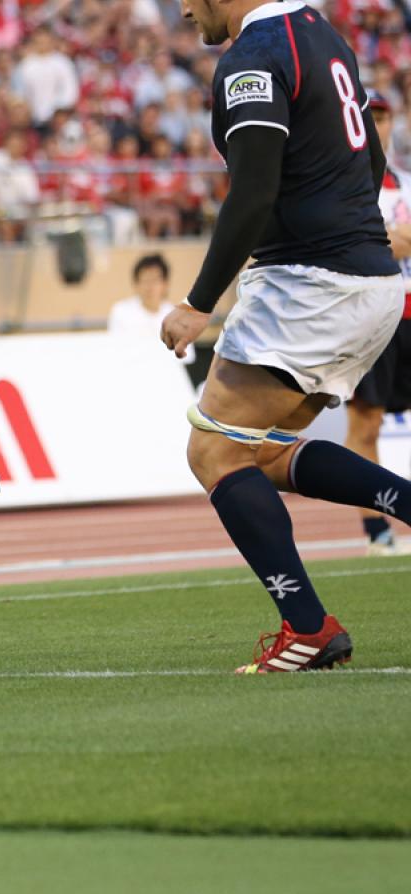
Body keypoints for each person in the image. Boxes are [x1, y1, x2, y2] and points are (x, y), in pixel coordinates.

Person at [162, 1, 409, 674]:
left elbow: (253, 192)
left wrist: (198, 304)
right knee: (260, 451)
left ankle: (307, 627)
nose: (184, 9)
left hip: (311, 286)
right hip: (372, 282)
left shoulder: (252, 57)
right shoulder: (322, 34)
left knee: (214, 451)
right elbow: (373, 160)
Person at [345, 90, 411, 556]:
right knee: (366, 424)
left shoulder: (406, 183)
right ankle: (377, 531)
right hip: (371, 316)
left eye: (384, 117)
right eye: (371, 116)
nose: (378, 125)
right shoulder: (345, 186)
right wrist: (387, 240)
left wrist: (383, 239)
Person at [109, 254, 194, 366]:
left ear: (165, 284)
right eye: (145, 280)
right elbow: (117, 351)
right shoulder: (121, 311)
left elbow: (187, 357)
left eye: (155, 280)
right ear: (136, 284)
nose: (150, 287)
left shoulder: (178, 316)